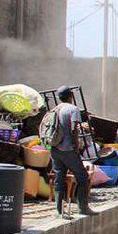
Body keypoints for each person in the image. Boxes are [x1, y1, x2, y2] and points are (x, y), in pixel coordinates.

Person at [47, 86, 95, 217]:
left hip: (55, 149)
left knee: (59, 178)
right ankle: (83, 207)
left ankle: (59, 210)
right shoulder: (73, 109)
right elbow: (74, 129)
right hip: (68, 150)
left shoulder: (54, 109)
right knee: (83, 178)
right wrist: (76, 146)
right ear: (71, 96)